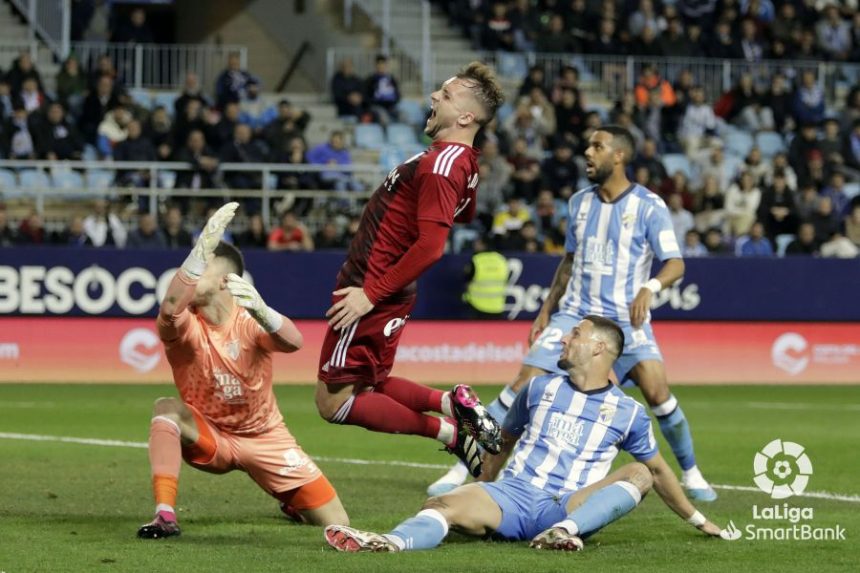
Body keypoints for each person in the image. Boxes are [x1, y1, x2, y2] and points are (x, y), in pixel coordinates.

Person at [429, 126, 718, 501]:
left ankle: (692, 475)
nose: (587, 152)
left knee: (658, 393)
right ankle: (466, 465)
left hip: (626, 321)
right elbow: (568, 261)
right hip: (576, 314)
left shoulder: (649, 206)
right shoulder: (580, 202)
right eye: (588, 144)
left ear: (619, 156)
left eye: (597, 146)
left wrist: (650, 288)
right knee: (523, 381)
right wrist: (547, 310)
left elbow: (675, 264)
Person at [325, 316, 725, 553]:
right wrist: (481, 484)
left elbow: (656, 471)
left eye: (576, 335)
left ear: (600, 348)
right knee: (441, 503)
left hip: (568, 504)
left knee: (637, 472)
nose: (565, 339)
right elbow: (504, 441)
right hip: (513, 496)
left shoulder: (629, 411)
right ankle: (389, 542)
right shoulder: (538, 388)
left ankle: (563, 533)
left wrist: (698, 520)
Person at [314, 62, 506, 478]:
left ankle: (450, 433)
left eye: (447, 95)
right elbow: (467, 212)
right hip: (388, 286)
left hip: (371, 287)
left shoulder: (442, 164)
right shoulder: (461, 160)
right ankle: (452, 405)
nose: (435, 97)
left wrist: (369, 294)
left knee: (334, 403)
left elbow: (432, 246)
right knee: (372, 385)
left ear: (466, 117)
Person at [137, 202, 349, 539]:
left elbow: (293, 342)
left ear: (224, 281)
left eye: (199, 269)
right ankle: (165, 515)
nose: (188, 278)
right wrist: (198, 252)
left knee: (339, 525)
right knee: (166, 409)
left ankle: (291, 502)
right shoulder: (188, 327)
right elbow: (170, 308)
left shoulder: (249, 322)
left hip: (266, 439)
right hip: (212, 437)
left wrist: (265, 312)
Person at [463, 237, 508, 318]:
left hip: (477, 306)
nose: (474, 245)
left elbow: (467, 279)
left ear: (484, 245)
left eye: (477, 243)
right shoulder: (501, 259)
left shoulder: (476, 260)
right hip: (497, 307)